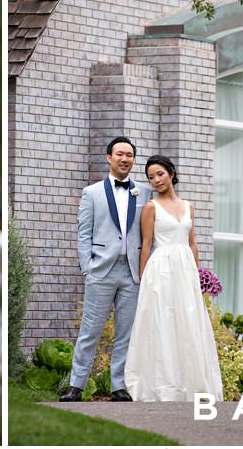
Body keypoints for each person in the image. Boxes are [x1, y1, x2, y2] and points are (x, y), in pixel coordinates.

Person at [124, 155, 223, 401]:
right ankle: (164, 385)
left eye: (160, 174)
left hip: (185, 269)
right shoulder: (151, 207)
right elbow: (146, 245)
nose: (156, 180)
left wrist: (198, 275)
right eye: (151, 177)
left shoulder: (188, 206)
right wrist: (143, 278)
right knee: (163, 322)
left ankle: (191, 384)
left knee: (188, 323)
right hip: (161, 270)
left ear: (171, 173)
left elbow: (192, 243)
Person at [60, 136, 149, 403]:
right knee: (90, 330)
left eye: (130, 155)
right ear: (109, 157)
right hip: (101, 270)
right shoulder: (92, 192)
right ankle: (76, 386)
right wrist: (88, 269)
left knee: (126, 332)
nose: (125, 159)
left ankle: (118, 386)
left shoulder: (144, 193)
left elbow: (148, 235)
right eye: (120, 154)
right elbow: (83, 233)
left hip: (132, 273)